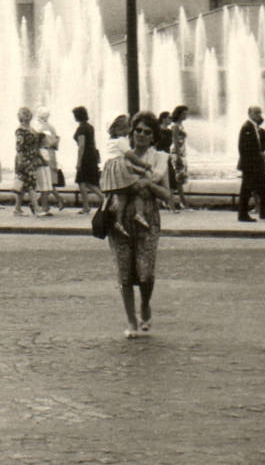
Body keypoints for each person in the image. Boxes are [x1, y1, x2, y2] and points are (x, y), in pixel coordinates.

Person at [107, 112, 173, 338]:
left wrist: (149, 185)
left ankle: (145, 303)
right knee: (124, 272)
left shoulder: (160, 159)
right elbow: (106, 181)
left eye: (147, 132)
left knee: (145, 274)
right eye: (138, 130)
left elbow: (168, 195)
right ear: (131, 132)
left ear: (153, 136)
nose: (142, 135)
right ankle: (131, 320)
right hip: (121, 218)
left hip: (148, 220)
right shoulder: (120, 156)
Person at [235, 105, 265, 222]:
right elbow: (243, 148)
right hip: (250, 165)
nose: (259, 115)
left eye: (260, 112)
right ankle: (243, 215)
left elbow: (258, 145)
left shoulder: (255, 128)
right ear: (250, 113)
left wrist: (261, 153)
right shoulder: (246, 127)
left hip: (256, 165)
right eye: (256, 112)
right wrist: (259, 155)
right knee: (247, 190)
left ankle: (264, 212)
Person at [13, 107, 47, 217]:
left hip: (32, 159)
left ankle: (17, 209)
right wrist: (20, 161)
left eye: (28, 115)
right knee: (31, 183)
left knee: (24, 184)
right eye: (25, 115)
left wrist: (41, 158)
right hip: (25, 159)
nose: (27, 117)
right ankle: (36, 209)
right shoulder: (21, 130)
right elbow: (19, 147)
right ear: (20, 117)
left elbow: (36, 144)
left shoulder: (31, 129)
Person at [71, 106, 102, 214]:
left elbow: (81, 146)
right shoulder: (90, 127)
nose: (73, 117)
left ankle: (94, 202)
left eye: (74, 115)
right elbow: (93, 142)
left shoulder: (81, 128)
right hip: (91, 155)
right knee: (86, 182)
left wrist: (79, 162)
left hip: (86, 157)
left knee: (83, 182)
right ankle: (88, 205)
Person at [35, 107, 62, 213]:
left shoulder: (42, 128)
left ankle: (57, 200)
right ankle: (42, 202)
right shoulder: (51, 127)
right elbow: (55, 142)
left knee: (47, 180)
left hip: (45, 153)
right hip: (51, 153)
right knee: (48, 180)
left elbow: (46, 142)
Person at [167, 105, 190, 212]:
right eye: (184, 113)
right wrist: (178, 156)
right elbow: (174, 140)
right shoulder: (175, 126)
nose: (186, 115)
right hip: (176, 154)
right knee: (176, 179)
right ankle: (178, 203)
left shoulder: (180, 125)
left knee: (179, 179)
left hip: (180, 153)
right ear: (179, 114)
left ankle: (181, 203)